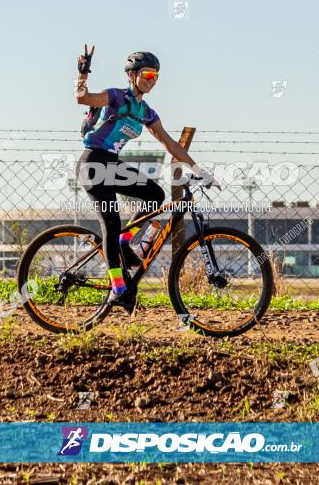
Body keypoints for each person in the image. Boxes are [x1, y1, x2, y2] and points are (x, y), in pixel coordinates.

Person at [73, 44, 219, 309]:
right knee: (111, 220)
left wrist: (198, 170)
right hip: (92, 163)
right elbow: (83, 99)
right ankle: (117, 287)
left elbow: (169, 143)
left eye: (156, 77)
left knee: (155, 195)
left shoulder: (146, 112)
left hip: (112, 164)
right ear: (132, 75)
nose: (152, 81)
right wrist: (83, 73)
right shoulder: (116, 96)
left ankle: (124, 241)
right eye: (148, 75)